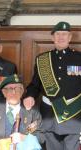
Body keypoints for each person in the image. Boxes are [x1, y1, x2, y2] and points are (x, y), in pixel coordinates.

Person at [24, 21, 81, 150]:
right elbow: (35, 84)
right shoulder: (43, 59)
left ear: (70, 37)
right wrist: (30, 96)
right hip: (49, 116)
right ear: (52, 38)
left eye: (64, 34)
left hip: (73, 117)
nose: (61, 37)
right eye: (58, 34)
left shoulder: (79, 58)